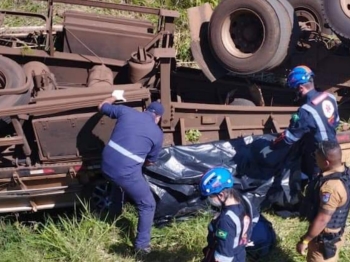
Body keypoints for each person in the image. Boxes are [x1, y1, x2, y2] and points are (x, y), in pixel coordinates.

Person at [98, 92, 164, 254]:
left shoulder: (126, 111)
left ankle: (114, 216)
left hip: (106, 164)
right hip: (124, 172)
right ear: (158, 118)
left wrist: (114, 96)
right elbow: (150, 161)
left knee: (118, 183)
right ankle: (142, 246)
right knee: (148, 204)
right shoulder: (157, 133)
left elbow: (101, 106)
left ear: (146, 110)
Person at [269, 65, 340, 180]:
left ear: (301, 88)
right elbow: (335, 122)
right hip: (335, 150)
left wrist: (273, 145)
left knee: (317, 185)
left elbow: (289, 138)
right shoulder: (330, 97)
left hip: (319, 157)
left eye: (295, 89)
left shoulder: (306, 111)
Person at [296, 140, 350, 262]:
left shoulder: (330, 188)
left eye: (317, 158)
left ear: (326, 162)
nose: (315, 160)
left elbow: (322, 219)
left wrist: (305, 240)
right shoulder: (345, 173)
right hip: (336, 234)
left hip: (323, 241)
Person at [199, 167, 256, 262]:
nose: (210, 200)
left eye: (210, 196)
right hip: (240, 253)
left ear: (221, 195)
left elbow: (223, 256)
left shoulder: (225, 220)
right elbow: (255, 218)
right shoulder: (246, 200)